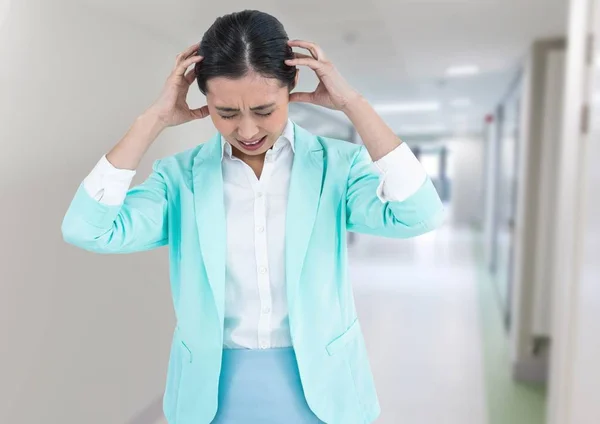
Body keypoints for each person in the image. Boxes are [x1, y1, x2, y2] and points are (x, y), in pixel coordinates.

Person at [61, 9, 444, 424]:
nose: (247, 131)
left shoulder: (337, 166)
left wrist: (353, 105)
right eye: (226, 113)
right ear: (203, 100)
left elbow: (419, 216)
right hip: (211, 395)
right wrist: (151, 121)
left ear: (292, 85)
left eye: (264, 110)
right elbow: (87, 231)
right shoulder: (180, 179)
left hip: (324, 392)